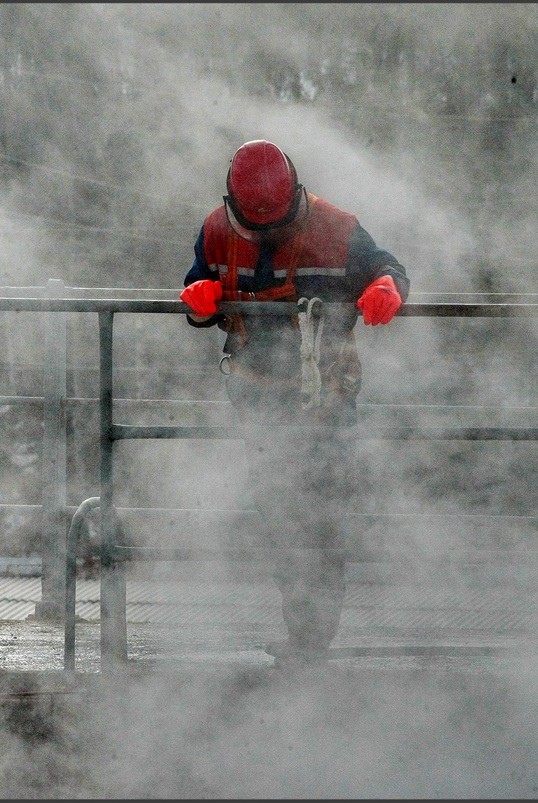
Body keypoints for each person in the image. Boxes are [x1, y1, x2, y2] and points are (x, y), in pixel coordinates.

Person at [180, 139, 410, 667]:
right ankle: (305, 635)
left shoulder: (338, 229)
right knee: (281, 513)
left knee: (320, 514)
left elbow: (387, 265)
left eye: (276, 223)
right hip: (259, 401)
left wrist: (387, 285)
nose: (264, 233)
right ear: (234, 204)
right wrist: (198, 302)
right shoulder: (216, 231)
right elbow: (199, 285)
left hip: (326, 398)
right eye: (254, 225)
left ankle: (312, 639)